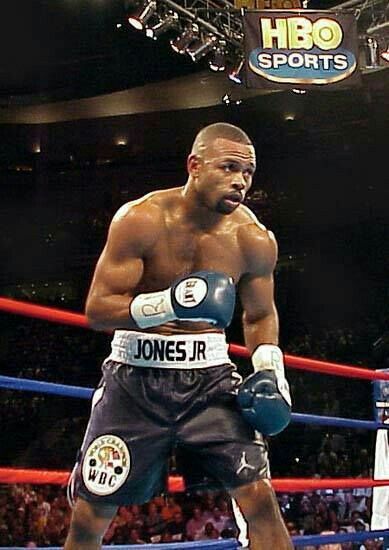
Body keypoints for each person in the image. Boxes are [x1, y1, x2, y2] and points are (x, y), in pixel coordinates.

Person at [64, 122, 293, 549]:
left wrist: (269, 370)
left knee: (260, 499)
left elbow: (260, 315)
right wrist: (169, 304)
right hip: (134, 382)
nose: (240, 181)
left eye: (248, 172)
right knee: (90, 514)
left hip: (210, 383)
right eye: (229, 168)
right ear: (194, 165)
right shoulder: (142, 219)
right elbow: (98, 309)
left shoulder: (254, 239)